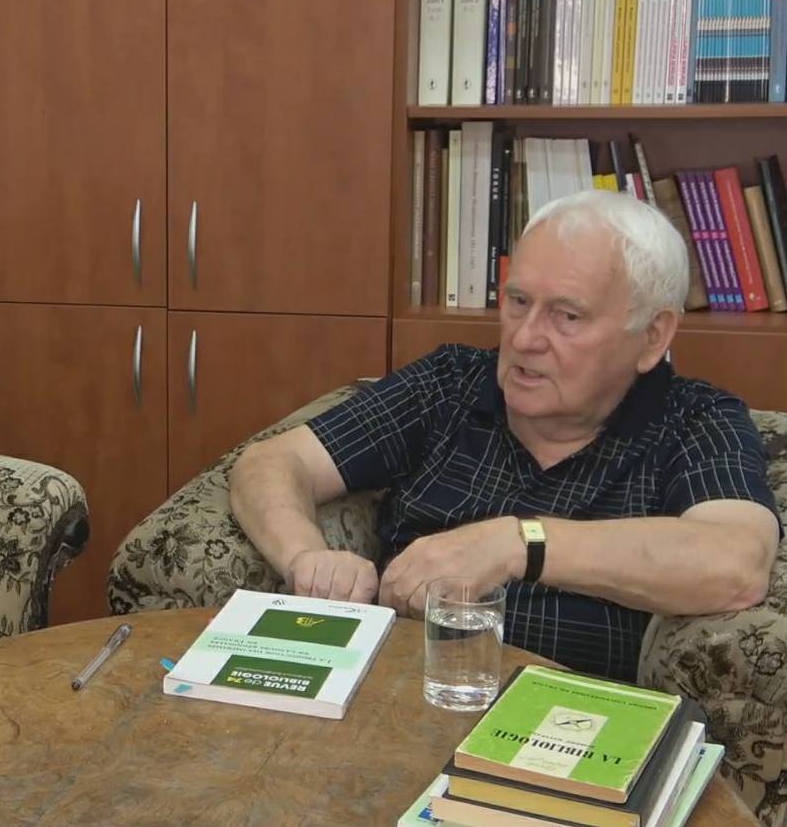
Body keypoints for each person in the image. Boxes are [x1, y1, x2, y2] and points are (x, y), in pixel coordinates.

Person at [230, 189, 780, 682]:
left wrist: (518, 544)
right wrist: (307, 557)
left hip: (569, 723)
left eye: (567, 316)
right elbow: (269, 463)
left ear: (652, 336)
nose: (525, 338)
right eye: (518, 302)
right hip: (398, 696)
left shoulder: (695, 420)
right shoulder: (448, 384)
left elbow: (735, 563)